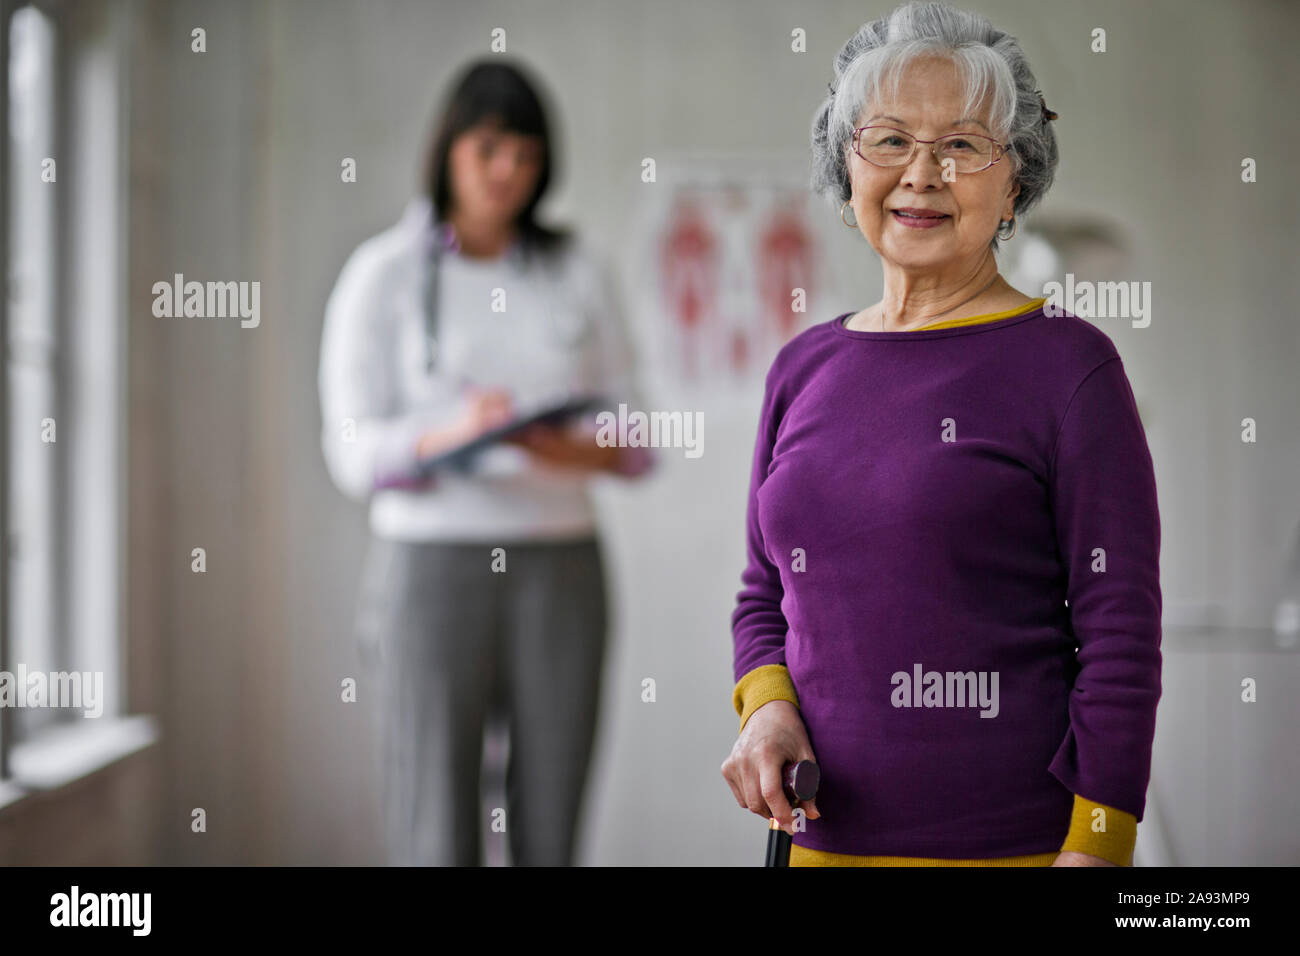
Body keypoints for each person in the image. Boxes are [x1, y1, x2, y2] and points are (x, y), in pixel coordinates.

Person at [721, 1, 1162, 867]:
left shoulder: (1072, 368)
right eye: (887, 139)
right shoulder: (803, 367)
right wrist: (768, 706)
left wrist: (1098, 849)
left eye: (961, 145)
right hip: (816, 846)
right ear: (846, 165)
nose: (921, 174)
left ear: (1015, 179)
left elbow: (1118, 632)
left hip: (1011, 849)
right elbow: (760, 596)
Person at [318, 59, 653, 866]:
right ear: (449, 149)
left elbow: (642, 435)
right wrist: (453, 432)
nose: (507, 172)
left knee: (551, 825)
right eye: (490, 149)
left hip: (561, 565)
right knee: (433, 827)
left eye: (527, 156)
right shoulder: (384, 275)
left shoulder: (577, 270)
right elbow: (352, 450)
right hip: (430, 570)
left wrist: (554, 442)